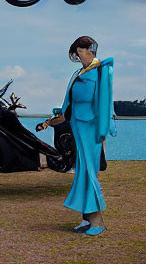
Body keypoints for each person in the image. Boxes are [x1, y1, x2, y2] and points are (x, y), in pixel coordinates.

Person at [37, 36, 116, 236]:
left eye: (80, 50)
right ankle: (85, 219)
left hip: (91, 128)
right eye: (76, 52)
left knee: (90, 172)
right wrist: (51, 119)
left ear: (89, 49)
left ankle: (97, 221)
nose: (78, 55)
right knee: (82, 172)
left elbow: (105, 102)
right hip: (77, 126)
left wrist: (104, 129)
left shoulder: (101, 71)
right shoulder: (79, 72)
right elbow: (68, 103)